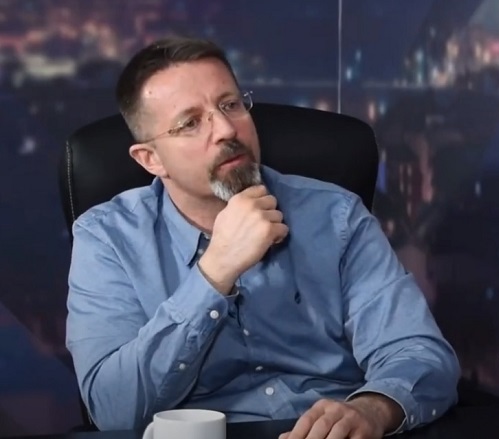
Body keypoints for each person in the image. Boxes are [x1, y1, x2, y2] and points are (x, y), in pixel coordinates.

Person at [65, 37, 460, 438]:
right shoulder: (106, 238)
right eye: (190, 123)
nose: (225, 129)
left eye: (230, 105)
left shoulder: (336, 215)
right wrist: (213, 273)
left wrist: (373, 410)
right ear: (151, 159)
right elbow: (112, 410)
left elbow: (420, 353)